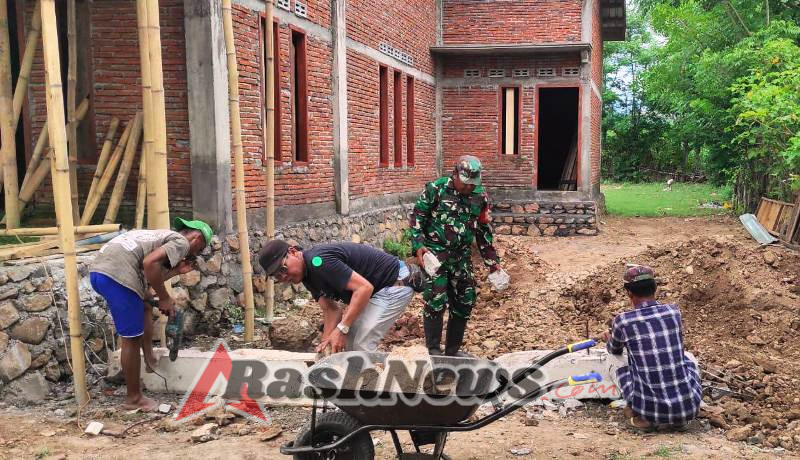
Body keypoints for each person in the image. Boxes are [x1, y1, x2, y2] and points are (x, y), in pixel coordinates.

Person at [89, 217, 213, 411]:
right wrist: (164, 298)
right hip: (118, 275)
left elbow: (148, 276)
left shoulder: (157, 235)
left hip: (99, 272)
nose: (194, 254)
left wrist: (175, 271)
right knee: (131, 339)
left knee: (145, 302)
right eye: (199, 250)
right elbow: (149, 263)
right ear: (197, 239)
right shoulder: (182, 243)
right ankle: (134, 398)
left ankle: (149, 356)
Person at [409, 155, 503, 356]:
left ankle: (452, 352)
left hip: (461, 258)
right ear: (455, 174)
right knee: (435, 301)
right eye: (465, 182)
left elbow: (483, 231)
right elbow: (417, 218)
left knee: (465, 301)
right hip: (436, 256)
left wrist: (492, 262)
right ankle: (434, 351)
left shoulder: (480, 196)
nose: (468, 187)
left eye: (472, 183)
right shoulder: (436, 189)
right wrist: (418, 245)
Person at [258, 240, 417, 353]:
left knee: (362, 343)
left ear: (293, 252)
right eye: (277, 276)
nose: (283, 277)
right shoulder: (306, 275)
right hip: (375, 293)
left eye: (283, 269)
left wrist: (341, 329)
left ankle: (373, 388)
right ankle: (352, 385)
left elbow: (364, 288)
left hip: (395, 283)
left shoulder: (318, 261)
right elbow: (331, 310)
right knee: (347, 343)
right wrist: (325, 345)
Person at [604, 264, 702, 431]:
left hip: (648, 411)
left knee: (614, 359)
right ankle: (677, 419)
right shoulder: (674, 312)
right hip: (688, 408)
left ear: (629, 292)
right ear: (655, 287)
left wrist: (609, 338)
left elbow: (614, 350)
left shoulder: (623, 321)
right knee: (688, 357)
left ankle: (644, 418)